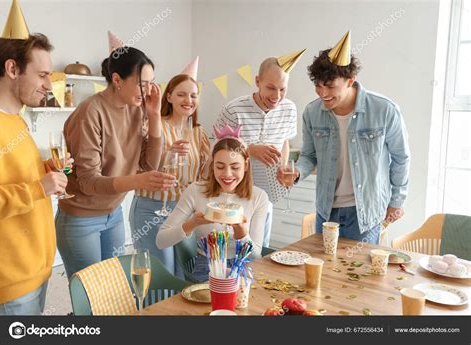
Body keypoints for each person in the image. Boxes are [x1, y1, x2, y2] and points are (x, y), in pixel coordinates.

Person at [278, 31, 410, 244]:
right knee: (326, 272)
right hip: (326, 210)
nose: (322, 93)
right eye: (318, 86)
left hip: (365, 212)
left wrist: (397, 201)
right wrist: (296, 172)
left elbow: (401, 157)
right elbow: (309, 156)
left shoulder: (384, 110)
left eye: (330, 86)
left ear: (350, 80)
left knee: (358, 273)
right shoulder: (312, 112)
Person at [56, 46, 175, 279]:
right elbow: (89, 182)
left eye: (151, 82)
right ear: (117, 80)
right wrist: (138, 181)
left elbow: (150, 165)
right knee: (91, 296)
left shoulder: (137, 110)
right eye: (142, 83)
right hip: (81, 218)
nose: (148, 90)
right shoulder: (89, 112)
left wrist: (154, 116)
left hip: (113, 213)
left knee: (113, 289)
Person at [0, 10, 69, 313]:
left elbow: (13, 176)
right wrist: (39, 187)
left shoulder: (17, 121)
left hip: (37, 272)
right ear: (13, 68)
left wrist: (45, 171)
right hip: (11, 281)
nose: (49, 86)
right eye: (42, 75)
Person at [156, 124, 269, 282]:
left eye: (235, 167)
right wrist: (192, 223)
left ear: (246, 165)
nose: (227, 174)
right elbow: (161, 240)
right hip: (207, 268)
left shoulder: (259, 197)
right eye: (220, 167)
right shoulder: (195, 191)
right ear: (212, 165)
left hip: (244, 266)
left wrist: (242, 234)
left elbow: (256, 255)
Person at [215, 50, 305, 248]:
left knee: (258, 249)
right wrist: (250, 150)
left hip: (266, 194)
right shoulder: (233, 109)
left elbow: (284, 142)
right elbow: (216, 152)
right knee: (231, 249)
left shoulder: (289, 109)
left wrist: (282, 166)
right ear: (257, 81)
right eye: (271, 88)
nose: (277, 96)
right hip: (233, 194)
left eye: (282, 89)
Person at [130, 58, 210, 276]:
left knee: (183, 272)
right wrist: (168, 154)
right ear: (169, 97)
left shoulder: (198, 133)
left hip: (183, 210)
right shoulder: (154, 125)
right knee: (160, 274)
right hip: (152, 207)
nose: (188, 100)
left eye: (193, 95)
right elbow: (141, 165)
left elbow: (203, 175)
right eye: (182, 94)